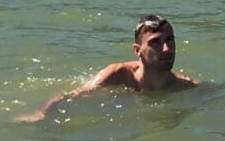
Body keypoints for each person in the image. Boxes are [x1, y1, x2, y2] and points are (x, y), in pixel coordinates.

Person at [17, 15, 198, 122]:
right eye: (155, 43)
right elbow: (72, 96)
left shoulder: (184, 86)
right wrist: (40, 113)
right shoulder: (117, 75)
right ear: (137, 50)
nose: (166, 49)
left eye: (170, 40)